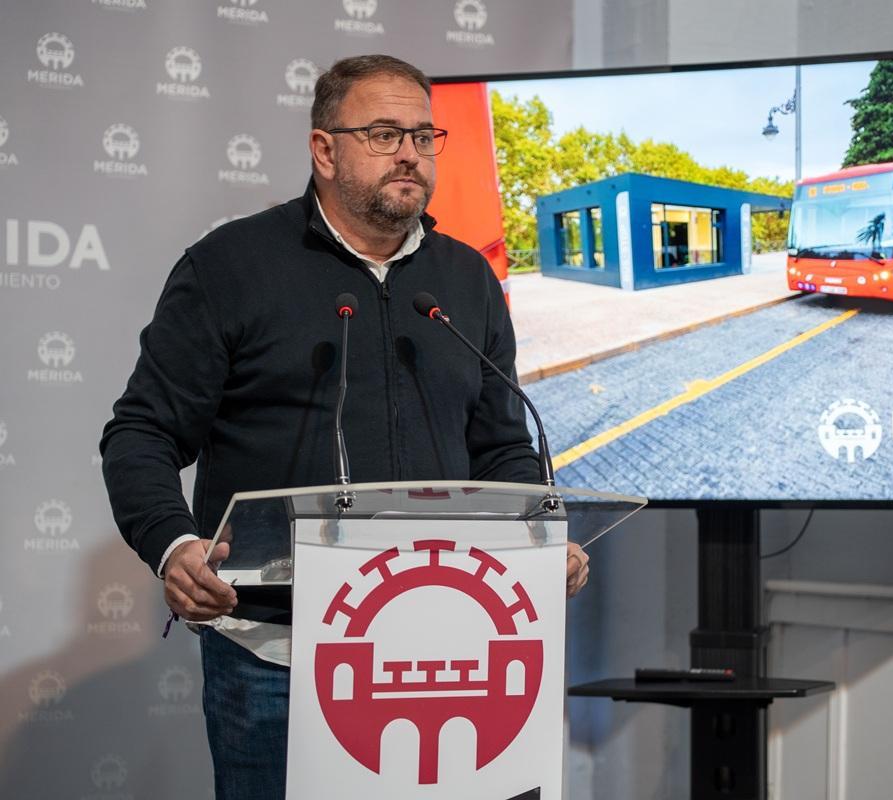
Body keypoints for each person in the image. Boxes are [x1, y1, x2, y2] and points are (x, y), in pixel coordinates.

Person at [100, 54, 588, 799]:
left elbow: (501, 446)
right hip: (278, 658)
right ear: (324, 150)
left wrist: (541, 543)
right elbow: (142, 433)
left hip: (453, 647)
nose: (410, 155)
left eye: (425, 137)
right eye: (386, 134)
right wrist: (174, 547)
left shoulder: (465, 280)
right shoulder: (230, 267)